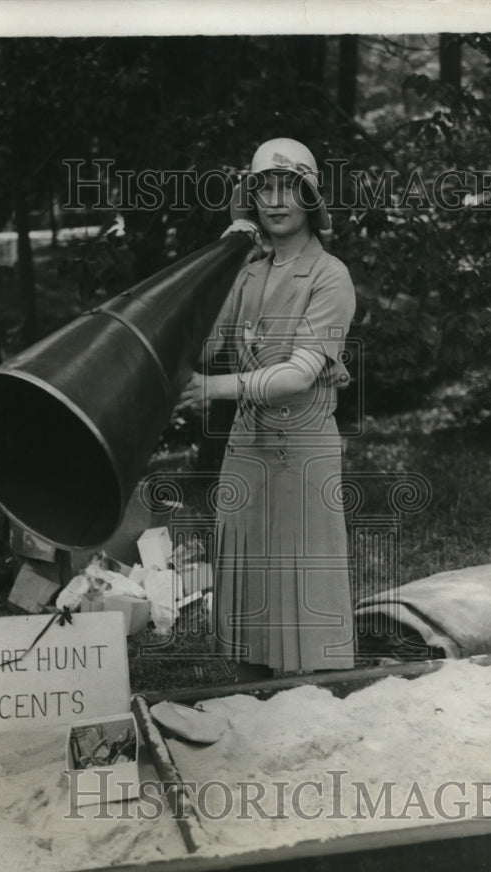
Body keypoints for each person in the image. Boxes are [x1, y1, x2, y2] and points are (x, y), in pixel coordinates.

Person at [180, 138, 356, 678]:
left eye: (288, 188)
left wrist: (212, 389)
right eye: (263, 188)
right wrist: (221, 259)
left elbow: (299, 375)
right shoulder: (246, 272)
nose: (275, 201)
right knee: (248, 582)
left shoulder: (330, 276)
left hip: (301, 453)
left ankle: (314, 697)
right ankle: (253, 691)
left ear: (309, 197)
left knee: (304, 585)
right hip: (246, 450)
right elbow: (201, 346)